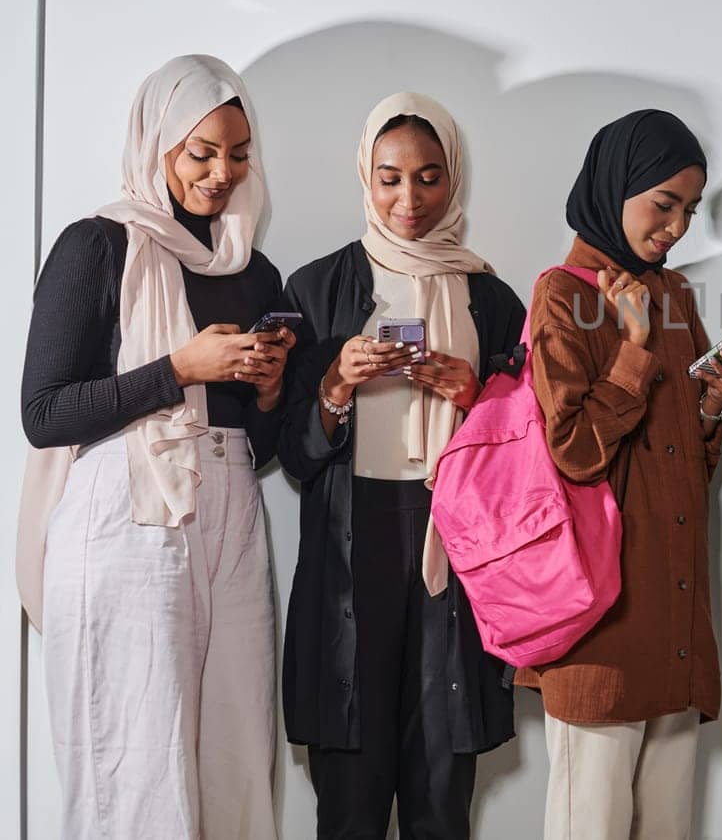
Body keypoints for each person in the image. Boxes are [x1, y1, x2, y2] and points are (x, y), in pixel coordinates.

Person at [19, 54, 288, 838]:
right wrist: (178, 369)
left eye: (237, 154)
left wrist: (268, 390)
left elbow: (258, 440)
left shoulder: (254, 269)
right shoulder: (97, 246)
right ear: (157, 144)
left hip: (230, 516)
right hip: (124, 521)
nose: (221, 174)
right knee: (133, 762)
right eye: (200, 152)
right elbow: (44, 411)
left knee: (236, 755)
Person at [277, 93, 524, 838]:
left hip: (451, 552)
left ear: (455, 180)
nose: (408, 198)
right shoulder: (315, 290)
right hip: (353, 552)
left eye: (428, 177)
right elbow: (293, 452)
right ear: (365, 176)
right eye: (389, 177)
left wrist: (472, 392)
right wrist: (335, 384)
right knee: (349, 799)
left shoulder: (491, 298)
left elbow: (527, 454)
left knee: (441, 798)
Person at [515, 108, 722, 840]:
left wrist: (710, 407)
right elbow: (575, 454)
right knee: (590, 823)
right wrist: (635, 346)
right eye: (663, 203)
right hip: (602, 624)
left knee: (667, 827)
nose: (677, 225)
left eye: (689, 207)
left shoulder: (677, 298)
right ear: (616, 187)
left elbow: (689, 470)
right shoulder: (563, 295)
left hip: (676, 613)